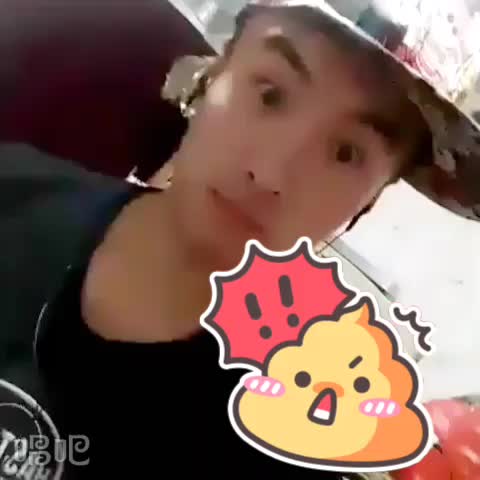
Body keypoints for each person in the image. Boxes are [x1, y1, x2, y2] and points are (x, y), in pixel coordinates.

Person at [1, 1, 479, 479]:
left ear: (368, 202)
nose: (270, 173)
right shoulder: (13, 193)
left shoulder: (294, 442)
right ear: (215, 74)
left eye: (345, 153)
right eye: (270, 96)